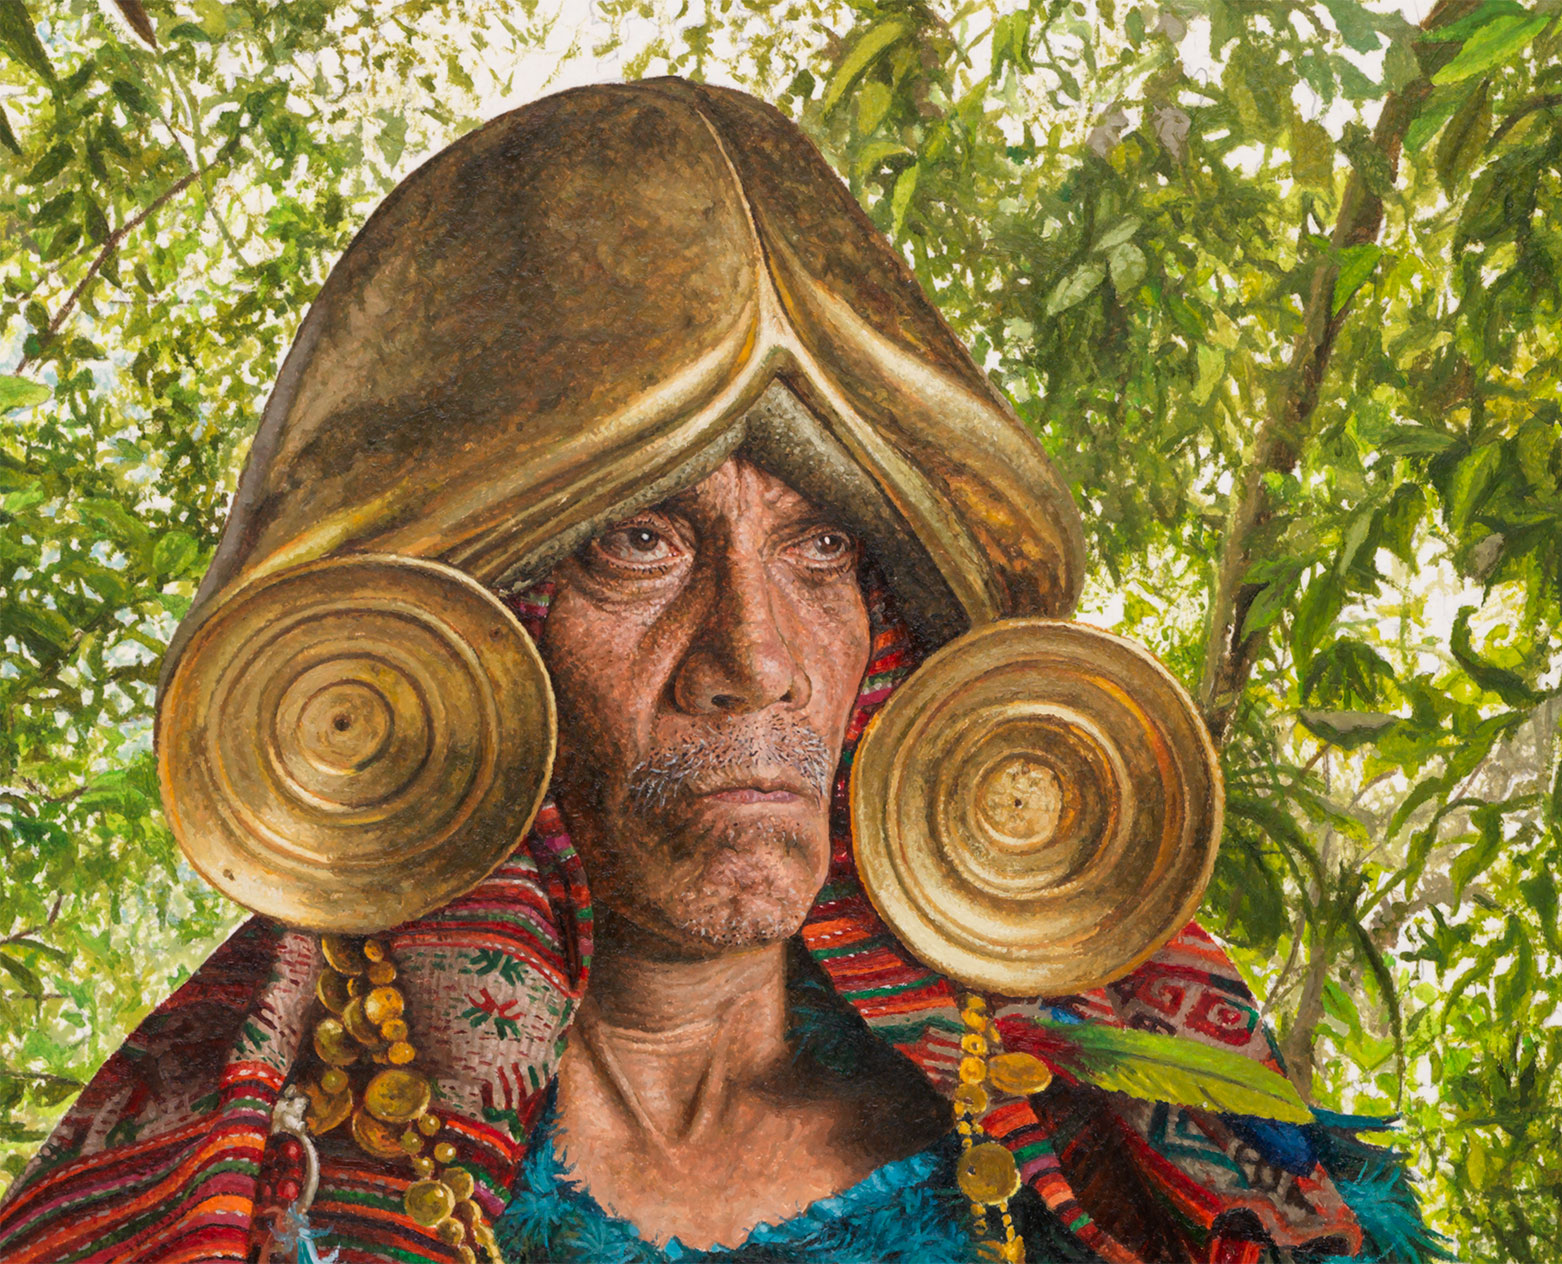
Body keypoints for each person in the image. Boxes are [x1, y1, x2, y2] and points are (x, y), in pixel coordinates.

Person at [0, 80, 1442, 1264]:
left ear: (891, 636)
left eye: (821, 548)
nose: (756, 663)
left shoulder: (1109, 1148)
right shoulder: (257, 1171)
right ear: (464, 635)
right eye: (640, 543)